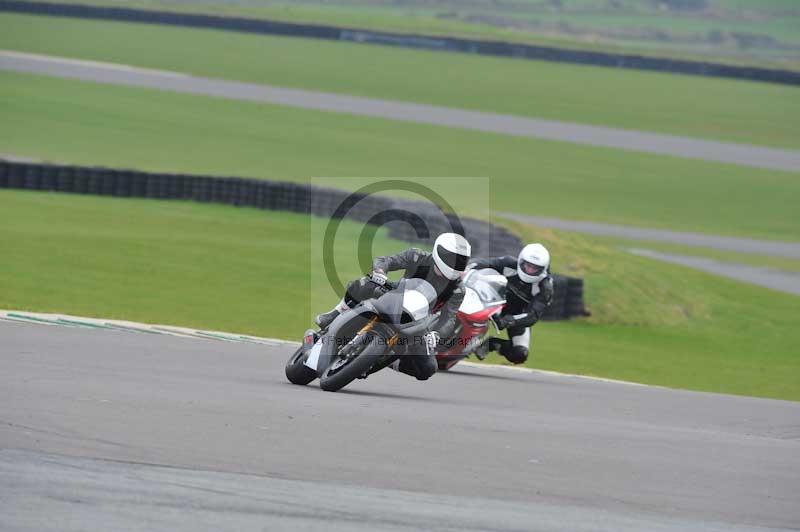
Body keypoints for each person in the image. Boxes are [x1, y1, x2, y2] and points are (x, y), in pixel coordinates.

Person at [315, 233, 471, 380]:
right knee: (363, 284)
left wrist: (436, 334)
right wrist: (380, 272)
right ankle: (335, 313)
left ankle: (385, 361)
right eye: (453, 258)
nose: (456, 264)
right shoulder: (417, 256)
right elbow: (386, 260)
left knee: (428, 368)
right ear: (439, 252)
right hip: (394, 297)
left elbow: (449, 318)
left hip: (419, 322)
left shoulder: (457, 289)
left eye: (461, 261)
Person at [469, 243, 553, 365]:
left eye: (534, 268)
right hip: (492, 301)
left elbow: (533, 315)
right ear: (520, 261)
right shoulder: (509, 263)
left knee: (519, 354)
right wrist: (465, 268)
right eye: (527, 265)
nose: (529, 270)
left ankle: (491, 344)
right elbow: (482, 262)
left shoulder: (545, 287)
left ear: (543, 269)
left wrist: (510, 320)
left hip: (517, 315)